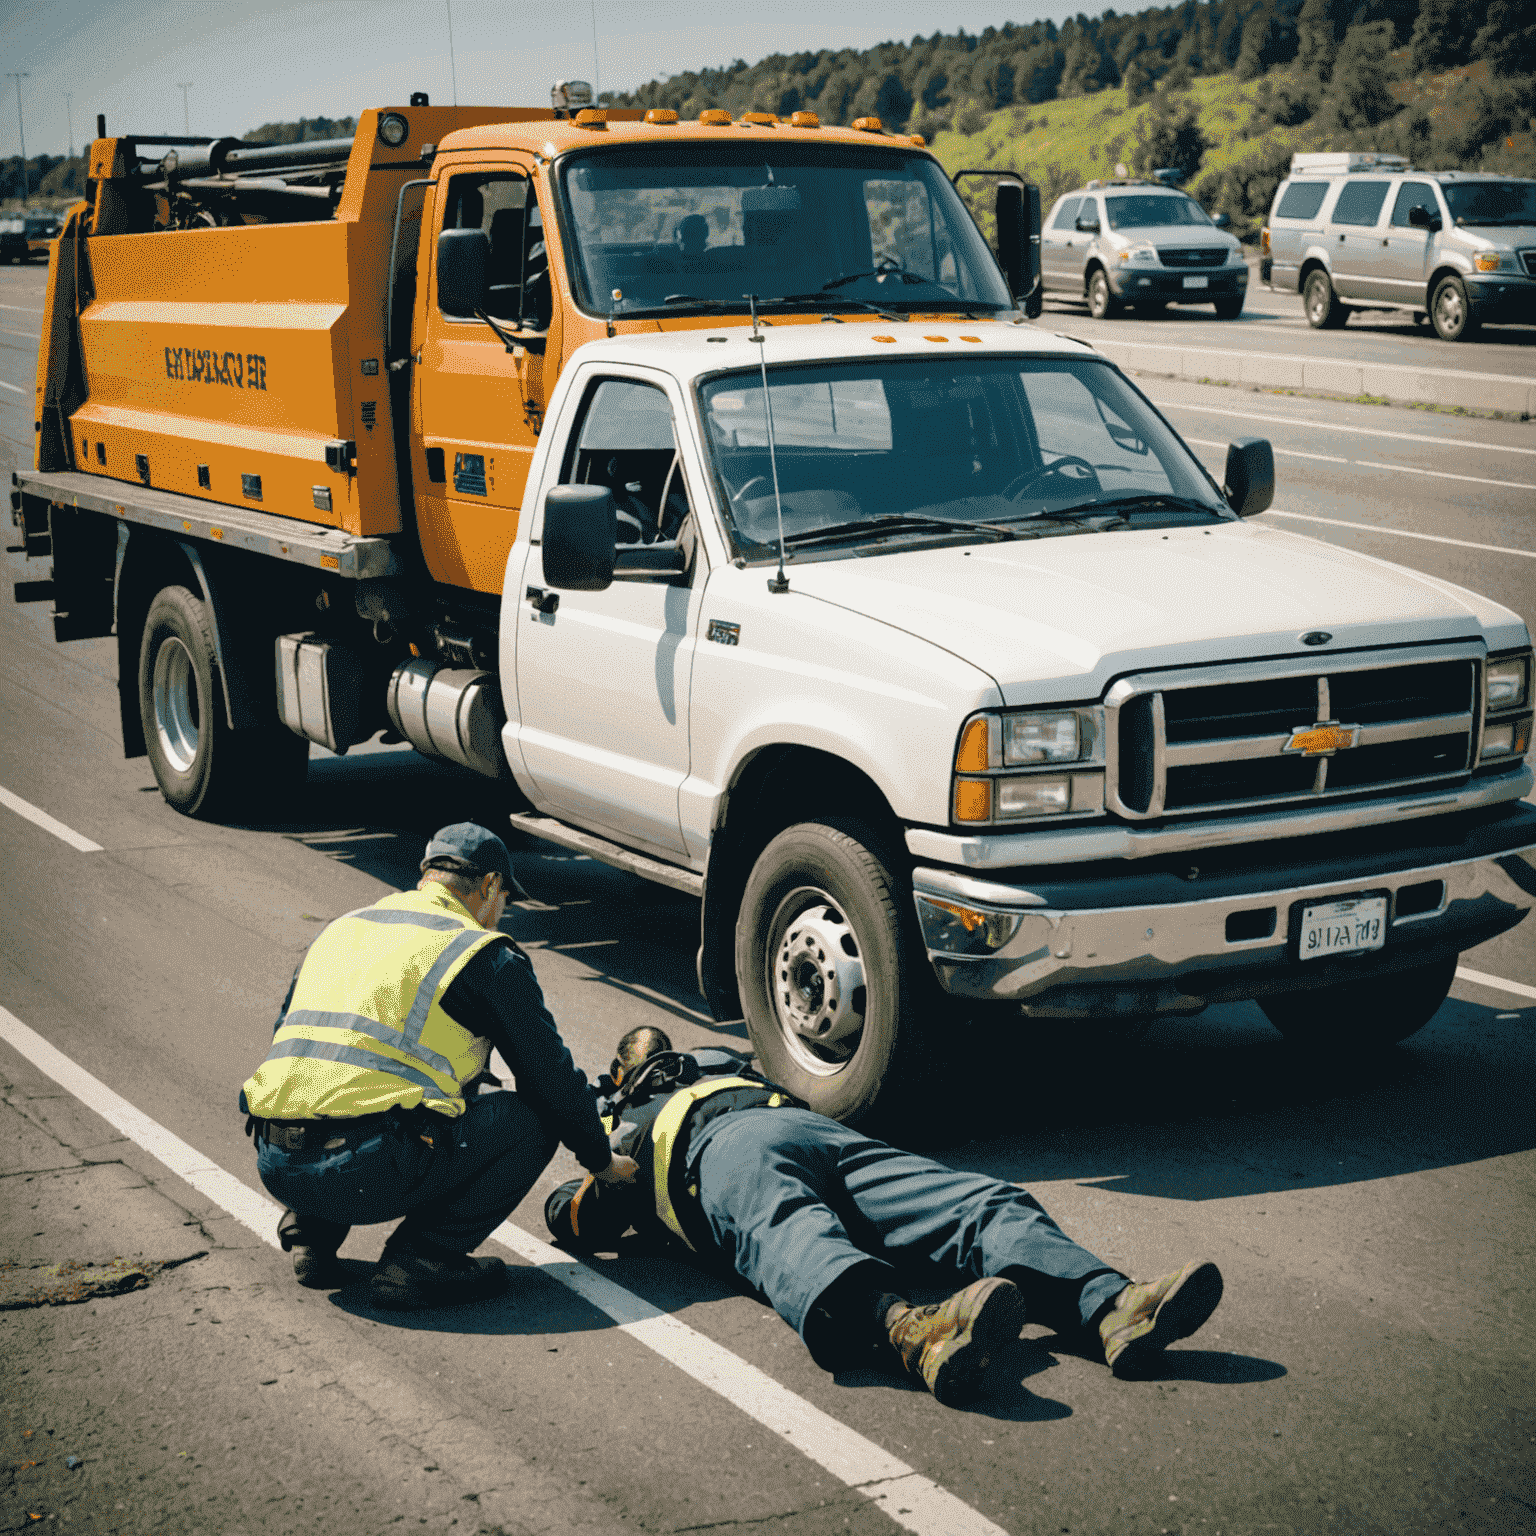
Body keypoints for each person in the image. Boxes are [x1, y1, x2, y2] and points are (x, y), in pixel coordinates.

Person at [546, 1027, 1223, 1407]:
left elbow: (575, 1217)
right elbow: (579, 1218)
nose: (661, 1058)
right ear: (623, 1077)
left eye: (663, 1050)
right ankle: (915, 1333)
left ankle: (1113, 1306)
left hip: (810, 1135)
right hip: (727, 1154)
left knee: (973, 1202)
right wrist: (595, 1169)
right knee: (799, 1236)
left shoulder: (713, 1078)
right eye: (645, 1055)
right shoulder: (620, 1122)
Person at [241, 823, 638, 1310]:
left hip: (276, 1161)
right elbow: (550, 1080)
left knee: (339, 1084)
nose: (500, 915)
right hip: (365, 1169)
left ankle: (311, 1233)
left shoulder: (344, 928)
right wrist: (602, 1161)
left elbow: (292, 1046)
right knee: (531, 1119)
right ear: (491, 886)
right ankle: (423, 1260)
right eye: (505, 900)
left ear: (427, 874)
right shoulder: (479, 953)